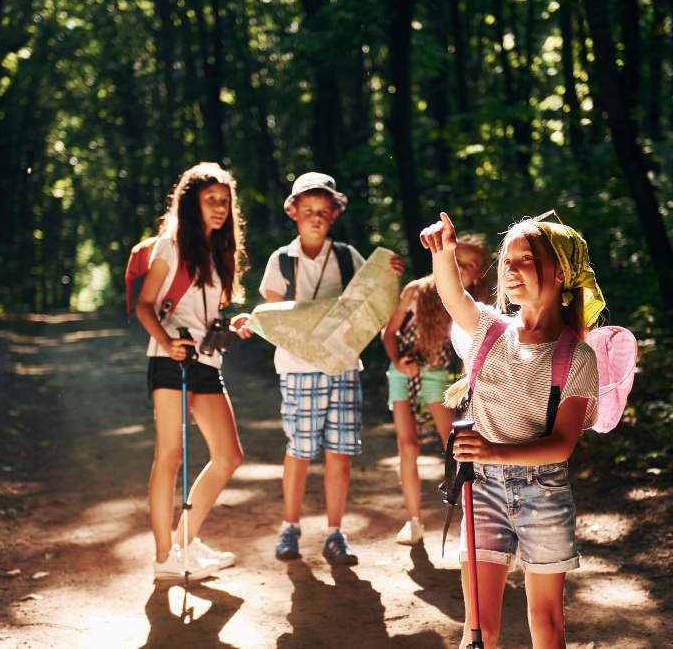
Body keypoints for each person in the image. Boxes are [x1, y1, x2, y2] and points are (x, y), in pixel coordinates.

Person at [420, 211, 604, 649]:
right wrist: (444, 254)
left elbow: (560, 446)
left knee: (547, 623)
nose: (510, 267)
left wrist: (491, 451)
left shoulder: (577, 357)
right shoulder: (488, 329)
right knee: (478, 626)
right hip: (481, 490)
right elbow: (452, 296)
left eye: (526, 258)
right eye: (507, 259)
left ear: (560, 273)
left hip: (544, 492)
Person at [258, 172, 404, 565]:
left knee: (339, 451)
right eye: (307, 210)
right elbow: (273, 318)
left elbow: (371, 297)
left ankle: (334, 534)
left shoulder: (347, 257)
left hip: (342, 365)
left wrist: (388, 272)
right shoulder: (281, 261)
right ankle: (290, 528)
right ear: (294, 213)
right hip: (297, 367)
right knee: (301, 450)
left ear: (334, 214)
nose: (315, 218)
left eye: (323, 211)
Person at [135, 162, 252, 581]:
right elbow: (144, 304)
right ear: (191, 203)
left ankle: (183, 543)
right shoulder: (172, 246)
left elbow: (203, 311)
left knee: (228, 456)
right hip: (170, 360)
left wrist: (232, 324)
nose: (220, 208)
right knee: (170, 455)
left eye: (224, 201)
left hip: (207, 361)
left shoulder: (217, 252)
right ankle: (165, 558)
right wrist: (166, 342)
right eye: (211, 201)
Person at [380, 233, 491, 545]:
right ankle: (413, 521)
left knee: (455, 445)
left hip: (439, 376)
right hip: (402, 371)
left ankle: (474, 516)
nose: (464, 269)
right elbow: (389, 332)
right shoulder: (416, 291)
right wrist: (398, 363)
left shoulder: (474, 307)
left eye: (472, 266)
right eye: (459, 261)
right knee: (408, 446)